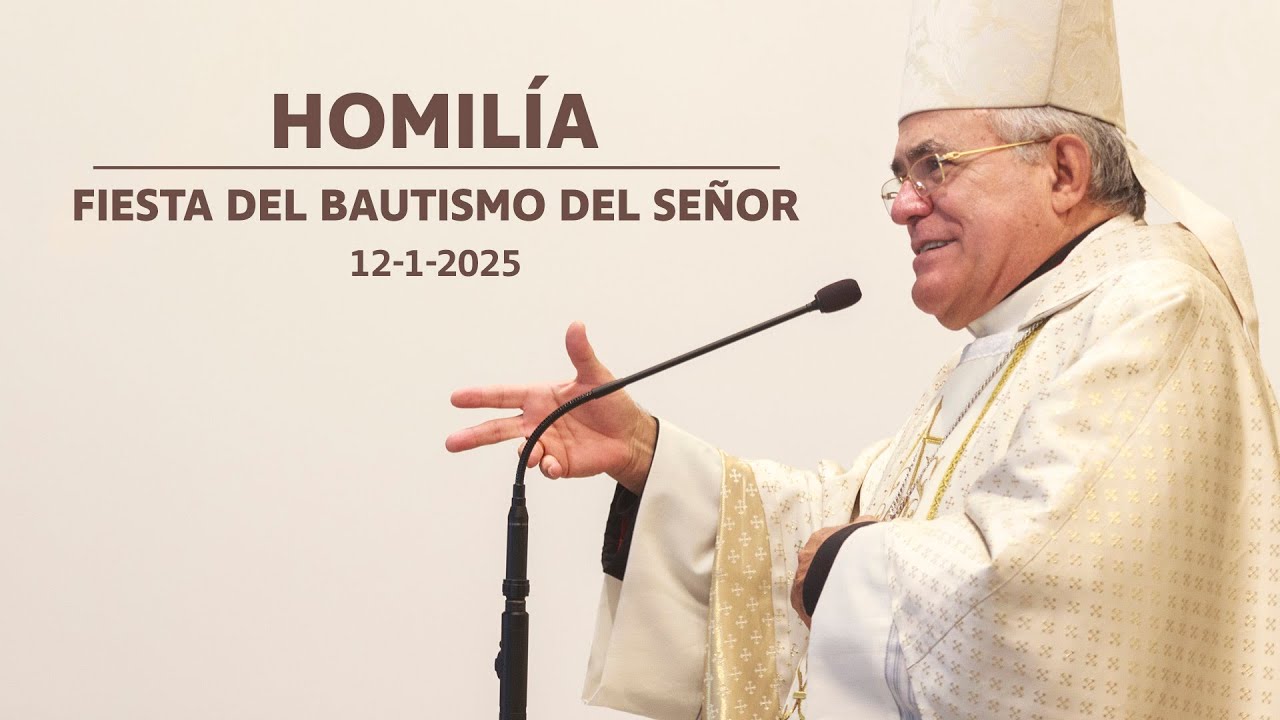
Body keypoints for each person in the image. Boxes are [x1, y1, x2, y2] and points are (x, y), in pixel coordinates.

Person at [447, 1, 1280, 717]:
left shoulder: (1155, 312)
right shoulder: (1009, 343)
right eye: (900, 176)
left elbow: (1032, 599)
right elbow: (853, 512)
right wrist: (646, 454)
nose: (903, 206)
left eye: (935, 166)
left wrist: (845, 566)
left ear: (1063, 170)